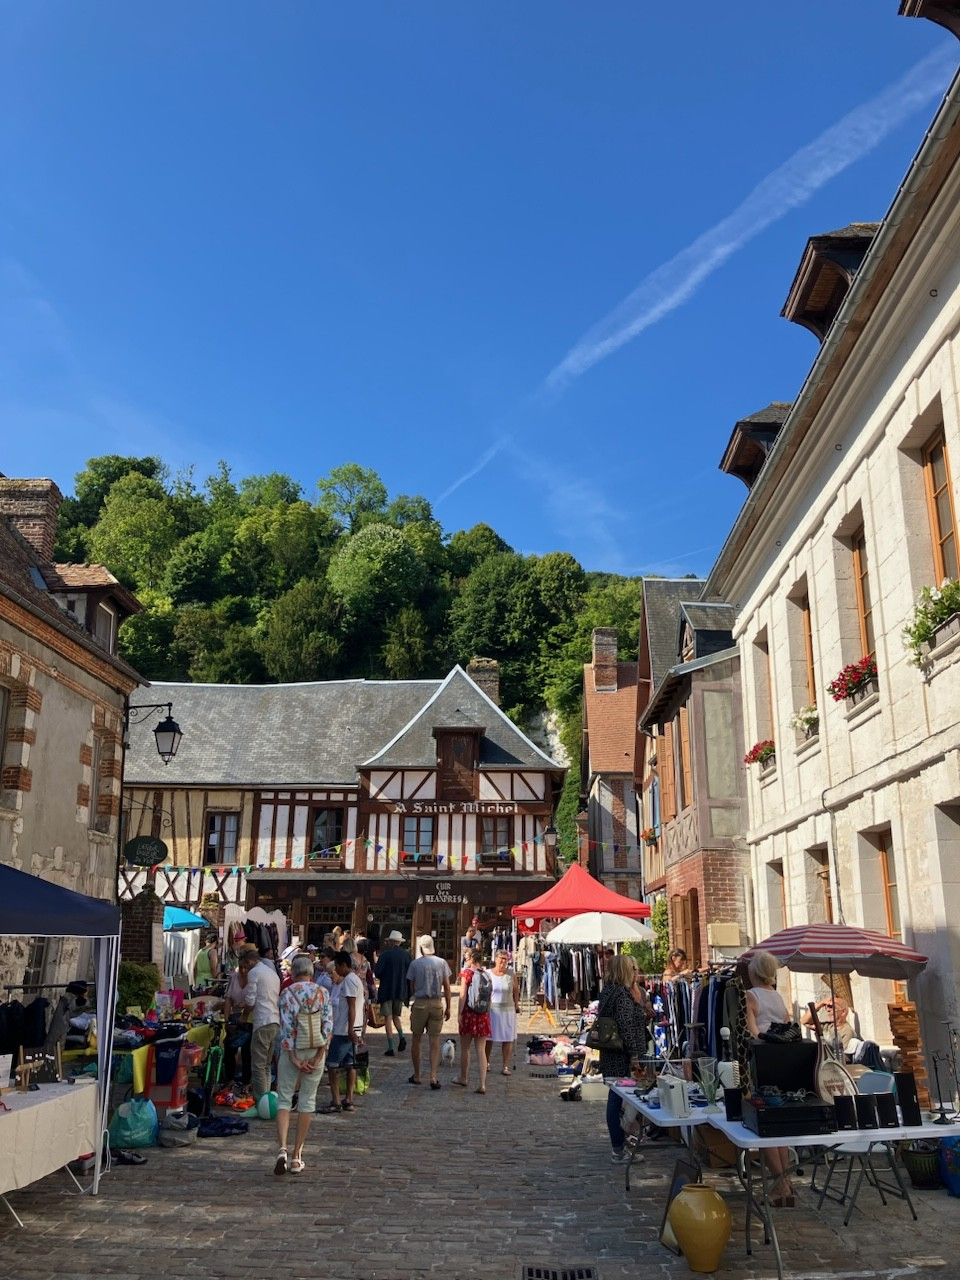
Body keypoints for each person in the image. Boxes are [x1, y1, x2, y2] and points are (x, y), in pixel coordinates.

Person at [274, 954, 332, 1176]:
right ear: (311, 972)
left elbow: (286, 1028)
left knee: (284, 1098)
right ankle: (297, 1155)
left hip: (293, 1049)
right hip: (315, 1048)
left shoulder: (287, 994)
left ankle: (282, 1148)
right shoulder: (323, 993)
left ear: (293, 973)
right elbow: (327, 1026)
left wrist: (293, 1058)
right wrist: (318, 1057)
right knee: (307, 1101)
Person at [745, 949, 795, 1207]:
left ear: (754, 972)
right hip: (783, 1063)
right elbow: (786, 1028)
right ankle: (785, 1183)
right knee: (779, 1126)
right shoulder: (778, 997)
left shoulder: (750, 996)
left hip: (762, 1064)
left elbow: (754, 1034)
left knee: (763, 1126)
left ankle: (780, 1184)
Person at [596, 954, 651, 1163]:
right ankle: (617, 1148)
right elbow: (626, 1027)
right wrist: (635, 1055)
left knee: (617, 1098)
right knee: (617, 1098)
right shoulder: (621, 994)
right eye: (632, 968)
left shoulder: (608, 991)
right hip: (620, 1055)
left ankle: (620, 1142)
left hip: (610, 1052)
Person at [406, 935, 452, 1090]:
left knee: (416, 1039)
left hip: (420, 1003)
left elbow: (411, 987)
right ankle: (433, 1076)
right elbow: (447, 986)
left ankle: (417, 1075)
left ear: (421, 947)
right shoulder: (442, 963)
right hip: (436, 1003)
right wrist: (449, 1006)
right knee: (435, 1041)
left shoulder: (415, 964)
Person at [321, 951, 364, 1113]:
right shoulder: (356, 980)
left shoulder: (349, 981)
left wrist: (350, 1028)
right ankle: (349, 1098)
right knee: (349, 1064)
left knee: (333, 1065)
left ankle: (336, 1100)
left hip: (344, 1030)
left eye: (337, 966)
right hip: (352, 1028)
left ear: (343, 965)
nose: (336, 970)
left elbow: (351, 1006)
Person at [240, 947, 281, 1102]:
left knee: (257, 1064)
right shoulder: (272, 973)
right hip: (274, 1020)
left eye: (245, 965)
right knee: (266, 1064)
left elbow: (250, 1000)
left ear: (250, 961)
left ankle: (259, 1101)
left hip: (262, 1021)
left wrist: (244, 1016)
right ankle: (267, 1098)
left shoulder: (254, 973)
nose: (245, 969)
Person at [454, 948, 492, 1093]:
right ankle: (482, 1084)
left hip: (469, 1014)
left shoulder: (467, 973)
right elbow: (489, 998)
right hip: (482, 1015)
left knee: (465, 1048)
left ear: (471, 959)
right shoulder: (486, 975)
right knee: (481, 1050)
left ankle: (463, 1077)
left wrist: (459, 1014)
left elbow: (463, 995)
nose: (465, 959)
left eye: (466, 957)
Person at [374, 930, 411, 1056]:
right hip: (400, 990)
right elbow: (410, 976)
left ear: (391, 942)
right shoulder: (406, 956)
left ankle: (390, 1047)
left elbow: (377, 972)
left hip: (387, 990)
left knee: (388, 1018)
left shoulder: (385, 955)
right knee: (396, 1016)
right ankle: (401, 1037)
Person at [484, 950, 520, 1075]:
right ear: (496, 959)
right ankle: (486, 1062)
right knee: (489, 1038)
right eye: (501, 958)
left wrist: (516, 1005)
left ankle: (505, 1066)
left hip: (508, 1010)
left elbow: (516, 991)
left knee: (507, 1038)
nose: (503, 961)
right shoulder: (488, 974)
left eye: (506, 959)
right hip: (492, 1010)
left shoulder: (511, 974)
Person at [221, 951, 253, 1088]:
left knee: (247, 1052)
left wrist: (245, 1007)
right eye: (241, 968)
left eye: (246, 968)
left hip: (249, 1019)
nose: (243, 971)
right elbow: (228, 999)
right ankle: (229, 1079)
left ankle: (246, 1083)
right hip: (235, 1017)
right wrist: (227, 1018)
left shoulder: (254, 978)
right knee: (229, 1049)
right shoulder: (234, 978)